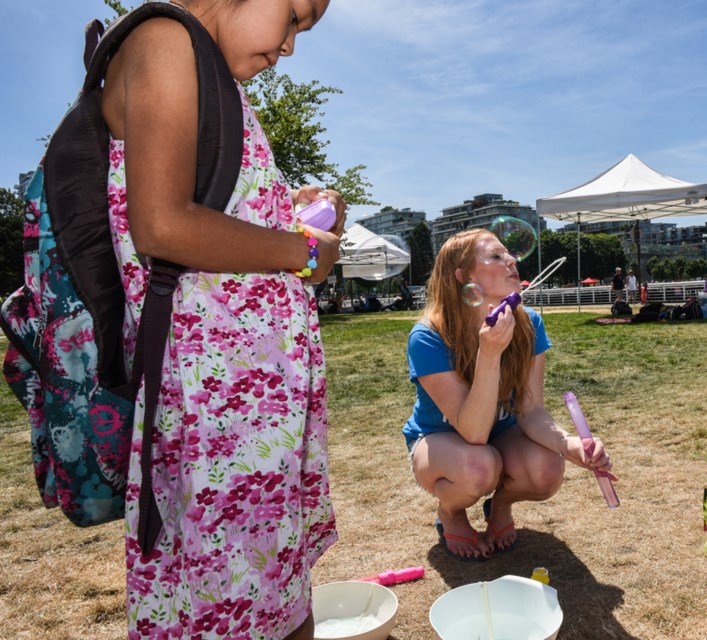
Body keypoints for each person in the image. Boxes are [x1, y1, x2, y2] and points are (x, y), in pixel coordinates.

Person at [100, 1, 343, 638]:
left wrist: (293, 206)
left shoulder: (211, 73)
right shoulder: (166, 41)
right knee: (228, 606)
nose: (290, 46)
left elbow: (215, 210)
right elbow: (163, 222)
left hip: (248, 419)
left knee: (276, 604)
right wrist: (304, 251)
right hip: (216, 419)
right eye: (294, 16)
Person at [403, 230, 616, 560]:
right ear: (464, 277)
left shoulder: (529, 323)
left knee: (547, 469)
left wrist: (568, 444)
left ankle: (499, 507)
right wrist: (488, 355)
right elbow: (472, 433)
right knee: (479, 465)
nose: (512, 260)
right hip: (440, 441)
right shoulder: (429, 335)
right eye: (496, 256)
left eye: (509, 254)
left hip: (501, 436)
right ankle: (451, 514)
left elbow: (530, 412)